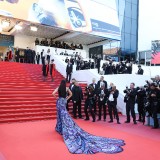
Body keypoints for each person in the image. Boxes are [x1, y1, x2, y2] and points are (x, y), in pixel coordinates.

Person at [52, 80, 125, 154]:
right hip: (64, 101)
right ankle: (60, 128)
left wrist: (57, 98)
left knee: (60, 115)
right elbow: (71, 94)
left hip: (59, 102)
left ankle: (60, 128)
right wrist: (66, 98)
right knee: (64, 115)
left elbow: (53, 94)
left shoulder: (58, 88)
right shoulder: (67, 88)